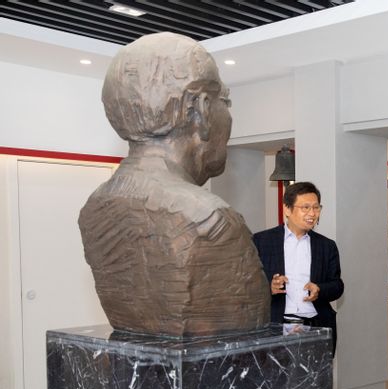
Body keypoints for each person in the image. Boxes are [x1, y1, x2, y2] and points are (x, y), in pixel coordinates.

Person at [79, 32, 269, 337]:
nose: (229, 115)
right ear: (202, 109)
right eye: (225, 101)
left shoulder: (95, 205)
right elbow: (247, 333)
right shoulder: (211, 222)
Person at [253, 181, 343, 354]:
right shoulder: (261, 241)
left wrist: (320, 289)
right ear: (287, 209)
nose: (312, 213)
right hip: (276, 327)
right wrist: (268, 287)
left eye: (316, 208)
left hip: (316, 327)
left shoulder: (327, 246)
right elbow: (246, 285)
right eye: (305, 207)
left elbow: (337, 286)